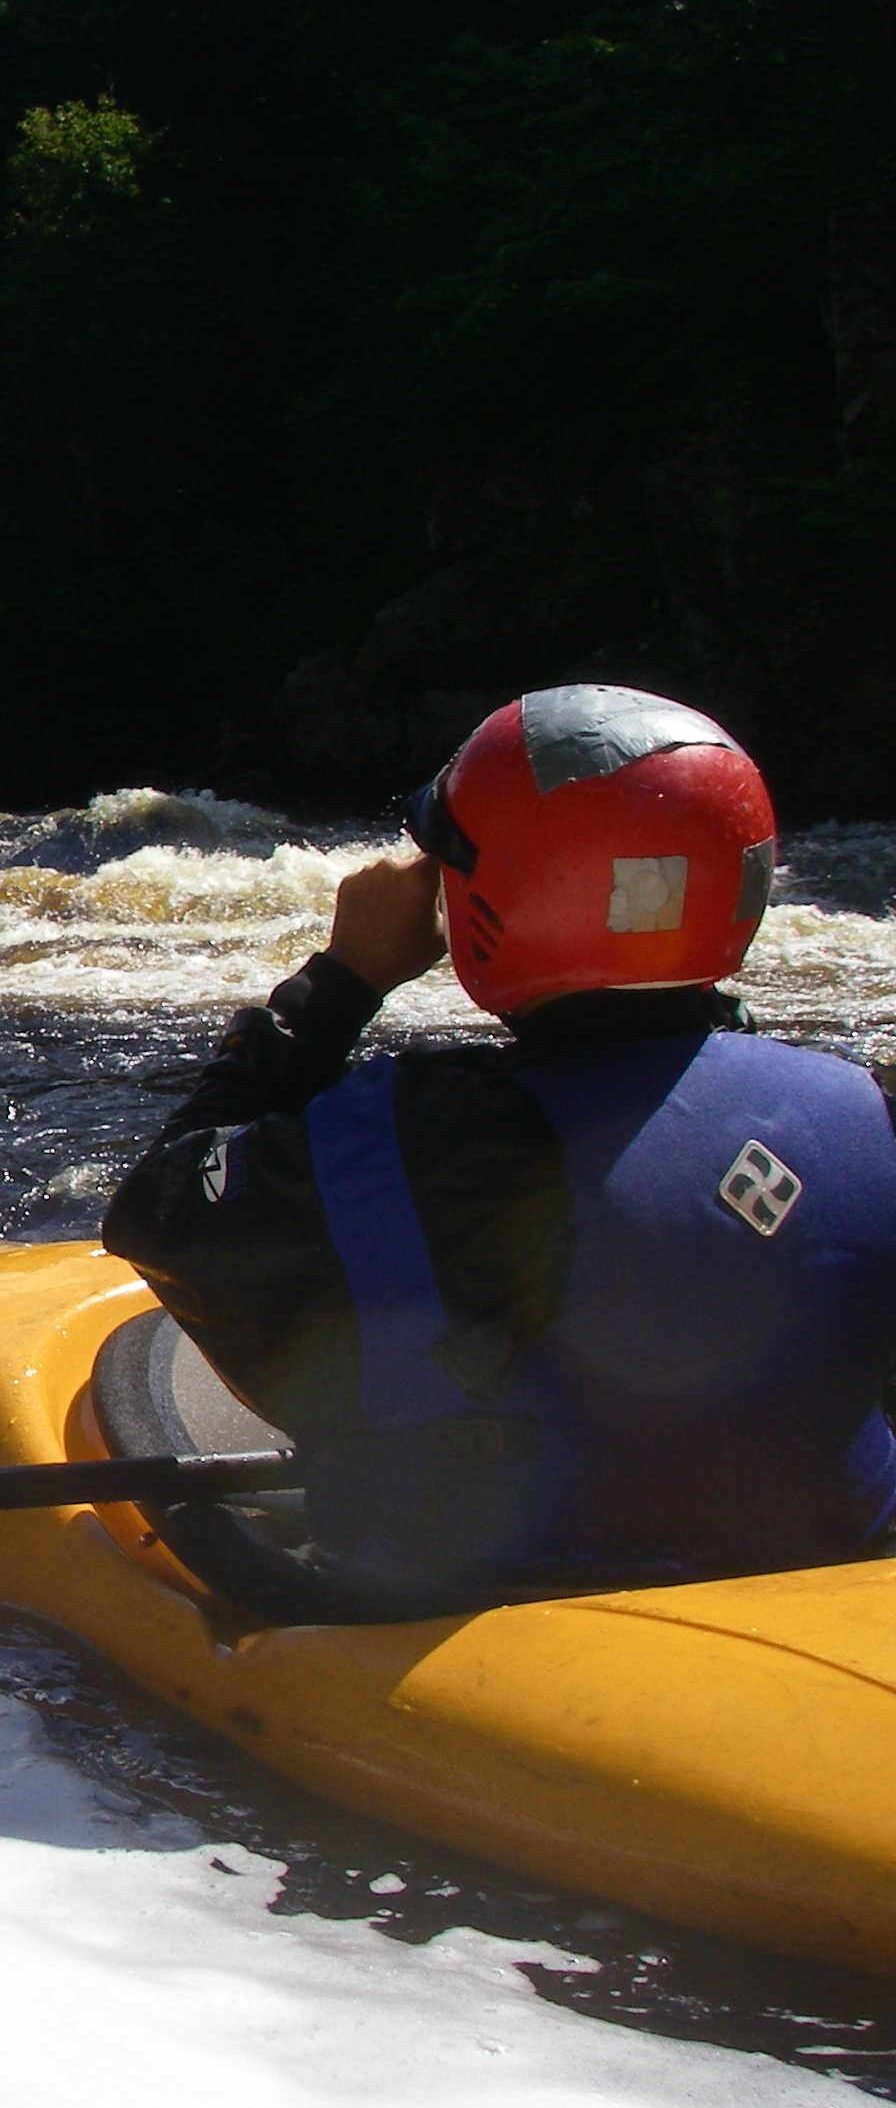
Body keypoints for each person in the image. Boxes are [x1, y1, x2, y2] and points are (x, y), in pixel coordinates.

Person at [102, 683, 896, 1614]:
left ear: (498, 899)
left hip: (532, 1591)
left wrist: (341, 981)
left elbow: (155, 1211)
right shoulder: (860, 1106)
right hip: (839, 1579)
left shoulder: (428, 1130)